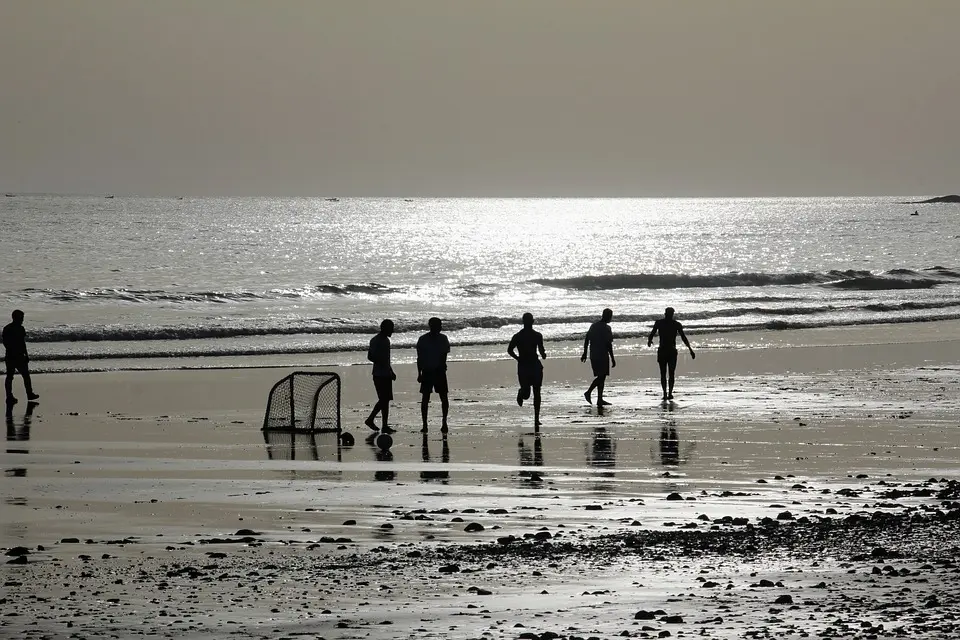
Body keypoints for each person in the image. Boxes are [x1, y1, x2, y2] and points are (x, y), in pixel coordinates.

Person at [508, 312, 547, 428]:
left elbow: (541, 349)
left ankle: (536, 418)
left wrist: (543, 354)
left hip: (534, 365)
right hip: (524, 365)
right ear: (531, 321)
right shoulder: (518, 336)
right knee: (526, 394)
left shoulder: (537, 335)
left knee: (537, 392)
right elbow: (509, 350)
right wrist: (518, 359)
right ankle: (521, 393)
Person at [647, 307, 695, 400]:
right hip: (670, 351)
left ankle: (666, 393)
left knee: (664, 373)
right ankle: (668, 393)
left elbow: (652, 334)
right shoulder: (675, 324)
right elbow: (683, 338)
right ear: (670, 314)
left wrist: (649, 340)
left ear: (665, 313)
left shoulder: (660, 323)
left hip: (664, 351)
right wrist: (690, 349)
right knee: (670, 373)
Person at [416, 317, 450, 434]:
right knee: (427, 398)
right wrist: (419, 373)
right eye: (438, 325)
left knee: (442, 398)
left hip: (436, 371)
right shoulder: (425, 339)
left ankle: (444, 422)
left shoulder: (441, 338)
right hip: (430, 371)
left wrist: (420, 372)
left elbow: (443, 357)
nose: (440, 327)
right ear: (432, 326)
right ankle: (425, 424)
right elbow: (419, 358)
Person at [365, 319, 396, 434]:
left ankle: (384, 425)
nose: (393, 330)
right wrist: (382, 363)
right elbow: (370, 356)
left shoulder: (385, 340)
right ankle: (371, 419)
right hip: (379, 374)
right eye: (391, 328)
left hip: (385, 373)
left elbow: (386, 360)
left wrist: (390, 371)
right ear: (385, 328)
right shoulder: (377, 340)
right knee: (384, 400)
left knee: (385, 400)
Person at [3, 310, 39, 406]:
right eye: (21, 317)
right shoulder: (13, 329)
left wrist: (26, 354)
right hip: (15, 356)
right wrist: (24, 354)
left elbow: (21, 343)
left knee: (13, 376)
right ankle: (26, 394)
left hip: (12, 356)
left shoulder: (9, 328)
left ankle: (11, 396)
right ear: (16, 318)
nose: (22, 320)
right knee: (22, 376)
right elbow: (9, 343)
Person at [581, 308, 615, 405]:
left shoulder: (594, 326)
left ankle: (599, 399)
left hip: (593, 354)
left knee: (602, 376)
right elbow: (609, 345)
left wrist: (584, 353)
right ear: (608, 316)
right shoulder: (607, 328)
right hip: (602, 355)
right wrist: (612, 358)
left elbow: (587, 339)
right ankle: (588, 392)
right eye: (610, 316)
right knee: (601, 377)